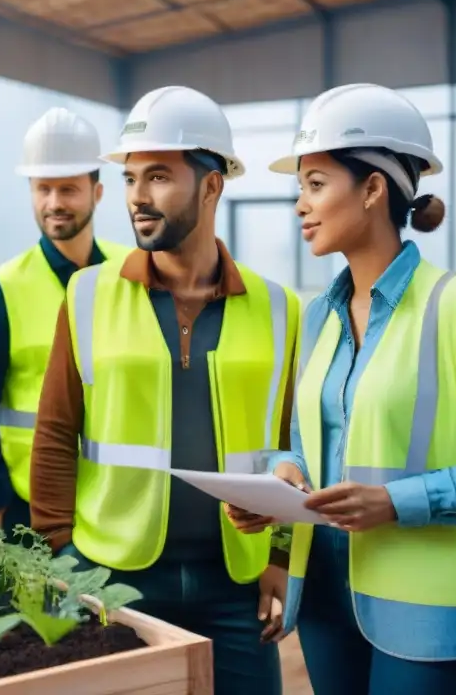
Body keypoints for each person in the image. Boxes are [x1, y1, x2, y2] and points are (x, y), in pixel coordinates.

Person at [227, 83, 456, 695]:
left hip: (429, 608)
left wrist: (395, 503)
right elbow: (302, 450)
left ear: (373, 188)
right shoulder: (317, 315)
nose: (300, 204)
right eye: (301, 186)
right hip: (327, 592)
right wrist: (277, 485)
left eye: (316, 184)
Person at [29, 85, 300, 695]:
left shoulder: (281, 309)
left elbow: (291, 448)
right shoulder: (89, 295)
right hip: (112, 577)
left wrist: (281, 558)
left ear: (212, 186)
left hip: (237, 585)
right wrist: (60, 555)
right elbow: (54, 434)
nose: (137, 198)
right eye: (129, 179)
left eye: (158, 177)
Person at [0, 107, 129, 540]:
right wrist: (0, 505)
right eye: (43, 188)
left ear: (97, 192)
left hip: (115, 504)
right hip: (28, 508)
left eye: (68, 189)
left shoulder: (133, 274)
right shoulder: (0, 289)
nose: (54, 203)